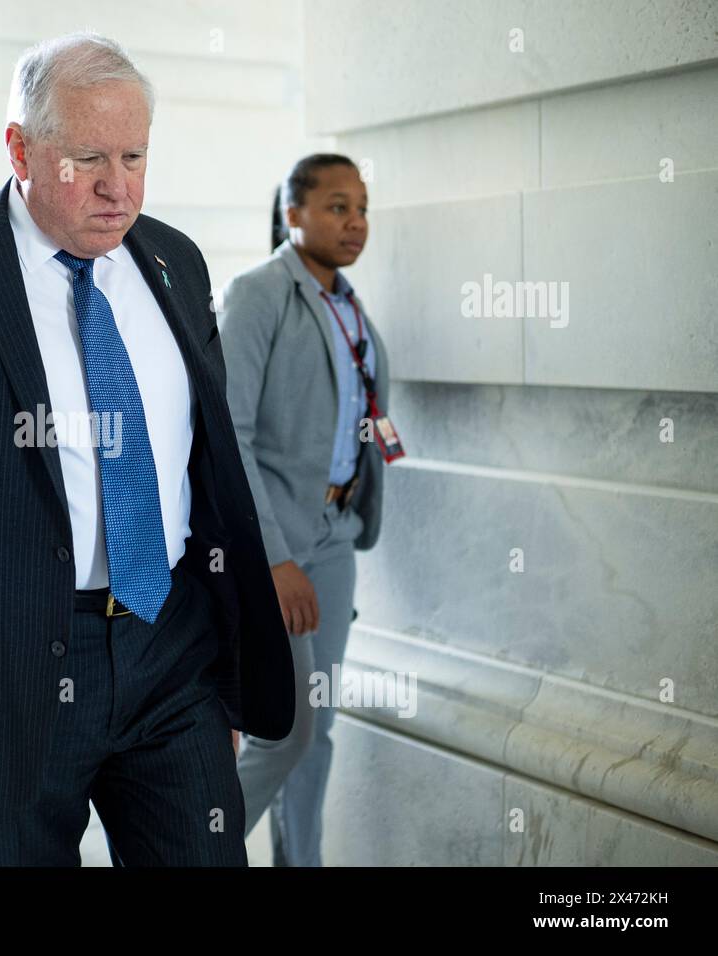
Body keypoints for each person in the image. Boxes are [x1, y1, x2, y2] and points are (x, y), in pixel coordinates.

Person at [0, 32, 293, 866]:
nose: (120, 188)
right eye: (88, 158)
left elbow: (209, 468)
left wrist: (226, 663)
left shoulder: (173, 260)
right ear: (20, 148)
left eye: (135, 156)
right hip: (1, 673)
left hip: (170, 647)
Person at [221, 153, 397, 866]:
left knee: (317, 727)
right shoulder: (259, 293)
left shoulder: (347, 304)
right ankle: (186, 849)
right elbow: (228, 432)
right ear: (293, 213)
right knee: (285, 730)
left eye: (361, 208)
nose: (354, 222)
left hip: (335, 535)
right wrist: (273, 558)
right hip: (279, 542)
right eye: (336, 206)